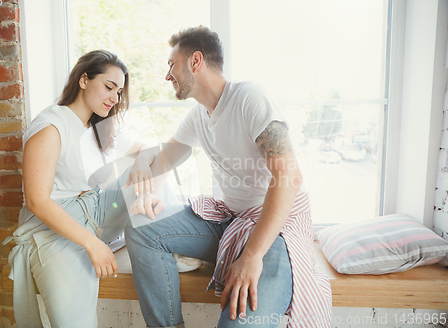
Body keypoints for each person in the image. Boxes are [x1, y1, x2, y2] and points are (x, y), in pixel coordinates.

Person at [124, 26, 332, 328]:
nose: (167, 75)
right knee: (142, 230)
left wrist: (251, 256)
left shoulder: (250, 97)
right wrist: (144, 155)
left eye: (172, 64)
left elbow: (289, 176)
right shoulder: (199, 116)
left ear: (195, 61)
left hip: (275, 229)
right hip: (232, 219)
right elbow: (163, 160)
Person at [4, 50, 155, 327]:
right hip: (54, 230)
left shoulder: (99, 127)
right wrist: (92, 244)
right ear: (84, 80)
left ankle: (160, 246)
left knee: (152, 168)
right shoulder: (51, 125)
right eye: (109, 87)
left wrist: (143, 163)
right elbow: (37, 201)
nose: (115, 98)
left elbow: (148, 149)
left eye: (119, 92)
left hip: (96, 214)